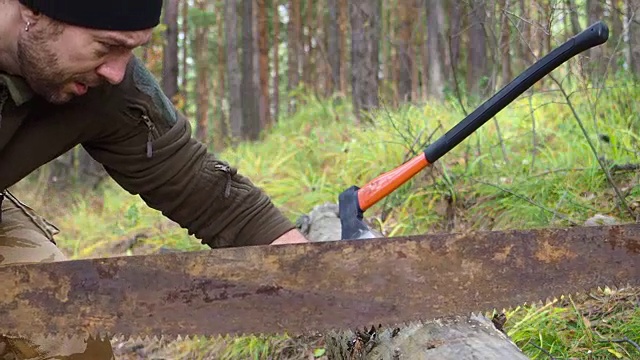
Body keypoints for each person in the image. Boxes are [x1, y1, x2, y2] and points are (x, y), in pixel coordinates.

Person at [0, 0, 310, 358]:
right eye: (106, 46)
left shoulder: (105, 85)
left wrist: (308, 270)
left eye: (130, 49)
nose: (116, 72)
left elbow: (191, 179)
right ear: (31, 10)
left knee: (70, 336)